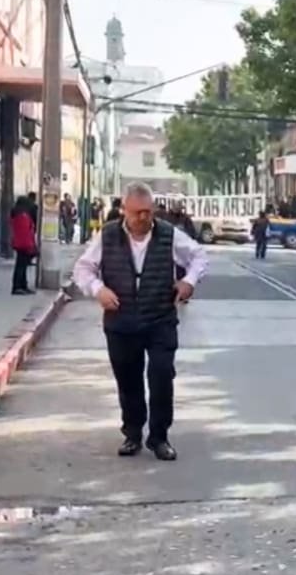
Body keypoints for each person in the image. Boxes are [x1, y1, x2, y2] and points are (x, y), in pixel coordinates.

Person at [72, 183, 209, 461]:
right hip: (121, 320)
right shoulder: (108, 236)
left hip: (159, 318)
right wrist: (99, 290)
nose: (143, 218)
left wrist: (188, 281)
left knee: (161, 376)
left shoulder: (169, 235)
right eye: (137, 213)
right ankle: (132, 433)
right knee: (128, 379)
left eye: (148, 212)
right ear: (125, 211)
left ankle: (159, 437)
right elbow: (83, 269)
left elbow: (199, 256)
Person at [9, 195, 37, 295]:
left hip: (20, 243)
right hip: (24, 244)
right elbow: (25, 232)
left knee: (22, 266)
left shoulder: (18, 213)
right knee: (21, 266)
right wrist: (30, 245)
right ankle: (17, 286)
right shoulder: (22, 216)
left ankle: (22, 285)